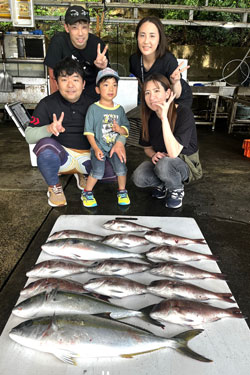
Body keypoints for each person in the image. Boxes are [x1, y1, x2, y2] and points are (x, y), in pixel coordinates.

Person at [25, 57, 126, 208]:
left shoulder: (95, 104)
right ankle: (54, 187)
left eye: (75, 79)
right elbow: (29, 136)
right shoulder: (47, 104)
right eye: (64, 80)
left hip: (89, 155)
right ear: (57, 83)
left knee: (113, 173)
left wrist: (119, 142)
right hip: (62, 157)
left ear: (84, 84)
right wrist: (49, 128)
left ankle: (81, 172)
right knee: (45, 147)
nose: (70, 85)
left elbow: (118, 129)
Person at [132, 73, 202, 209]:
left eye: (157, 91)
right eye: (147, 93)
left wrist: (164, 118)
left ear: (168, 93)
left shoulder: (184, 113)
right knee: (139, 176)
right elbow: (147, 147)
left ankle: (176, 189)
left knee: (164, 164)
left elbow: (173, 153)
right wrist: (153, 154)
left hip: (186, 165)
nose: (152, 97)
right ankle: (163, 185)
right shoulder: (149, 118)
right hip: (163, 163)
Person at [82, 67, 130, 208]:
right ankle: (87, 192)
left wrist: (119, 129)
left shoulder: (119, 109)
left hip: (115, 147)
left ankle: (122, 191)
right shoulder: (93, 109)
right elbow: (89, 132)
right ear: (97, 89)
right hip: (99, 147)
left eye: (114, 85)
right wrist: (95, 148)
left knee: (121, 168)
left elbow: (126, 129)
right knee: (97, 171)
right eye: (106, 85)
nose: (111, 89)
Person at [44, 5, 109, 100]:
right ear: (67, 28)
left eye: (84, 27)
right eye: (75, 28)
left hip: (91, 98)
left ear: (89, 27)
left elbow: (107, 81)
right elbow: (53, 78)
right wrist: (55, 105)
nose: (80, 33)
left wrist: (102, 68)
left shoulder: (98, 45)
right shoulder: (58, 42)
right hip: (67, 96)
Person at [129, 16, 192, 108]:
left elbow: (177, 94)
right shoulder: (134, 60)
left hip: (177, 99)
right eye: (142, 35)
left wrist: (175, 82)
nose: (146, 41)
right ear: (137, 37)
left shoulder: (168, 60)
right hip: (154, 99)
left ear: (159, 39)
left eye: (152, 36)